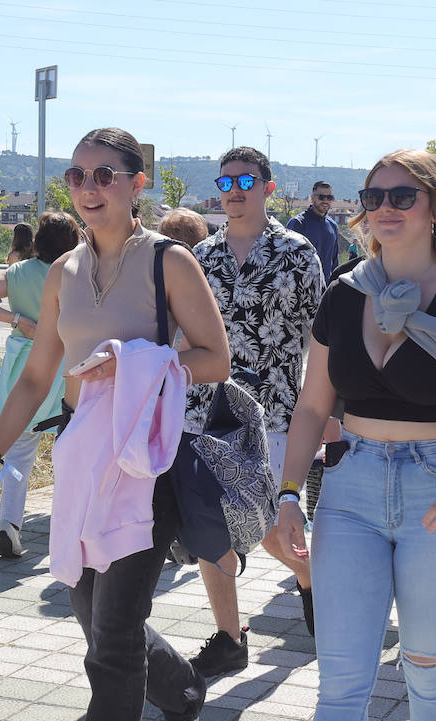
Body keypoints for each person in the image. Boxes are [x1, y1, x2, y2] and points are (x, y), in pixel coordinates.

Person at [0, 127, 228, 721]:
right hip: (82, 458)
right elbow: (35, 379)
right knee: (93, 612)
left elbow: (216, 357)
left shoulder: (169, 261)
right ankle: (182, 689)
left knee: (112, 631)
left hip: (145, 464)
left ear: (137, 184)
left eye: (103, 175)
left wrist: (137, 364)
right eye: (76, 175)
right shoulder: (63, 273)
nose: (88, 187)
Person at [272, 149, 436, 720]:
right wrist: (288, 493)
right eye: (373, 197)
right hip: (349, 489)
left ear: (435, 207)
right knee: (339, 684)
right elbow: (312, 407)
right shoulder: (343, 293)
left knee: (429, 674)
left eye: (402, 196)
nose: (386, 208)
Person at [185, 146, 326, 676]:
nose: (235, 191)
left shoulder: (297, 253)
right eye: (225, 184)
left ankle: (310, 579)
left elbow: (320, 337)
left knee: (268, 530)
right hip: (208, 415)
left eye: (246, 181)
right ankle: (229, 637)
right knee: (210, 525)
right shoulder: (201, 259)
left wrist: (329, 408)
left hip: (277, 414)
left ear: (268, 187)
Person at [0, 211, 80, 558]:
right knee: (71, 449)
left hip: (24, 368)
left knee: (19, 450)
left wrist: (17, 319)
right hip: (66, 368)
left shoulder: (18, 272)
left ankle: (8, 525)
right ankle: (69, 528)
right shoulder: (74, 273)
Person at [286, 180, 341, 280]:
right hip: (301, 289)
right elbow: (286, 260)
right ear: (312, 198)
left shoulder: (333, 226)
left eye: (329, 197)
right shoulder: (297, 224)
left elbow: (335, 262)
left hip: (326, 291)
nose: (325, 201)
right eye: (321, 197)